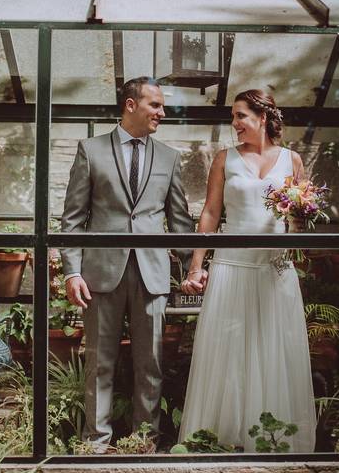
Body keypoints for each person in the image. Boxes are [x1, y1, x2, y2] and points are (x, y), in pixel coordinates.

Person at [177, 89, 316, 452]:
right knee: (228, 351)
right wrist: (196, 267)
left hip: (275, 269)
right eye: (233, 117)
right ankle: (220, 438)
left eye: (240, 116)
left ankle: (274, 439)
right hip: (231, 267)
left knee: (274, 348)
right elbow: (210, 213)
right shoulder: (225, 159)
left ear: (263, 117)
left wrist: (300, 230)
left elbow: (299, 220)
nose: (234, 124)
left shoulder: (293, 159)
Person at [60, 76, 192, 447]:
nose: (161, 113)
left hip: (152, 275)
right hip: (100, 274)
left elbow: (180, 222)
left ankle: (143, 441)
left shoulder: (169, 157)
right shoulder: (91, 150)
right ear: (131, 105)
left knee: (150, 365)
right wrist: (72, 271)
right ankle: (96, 442)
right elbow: (72, 220)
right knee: (99, 363)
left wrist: (193, 266)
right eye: (155, 105)